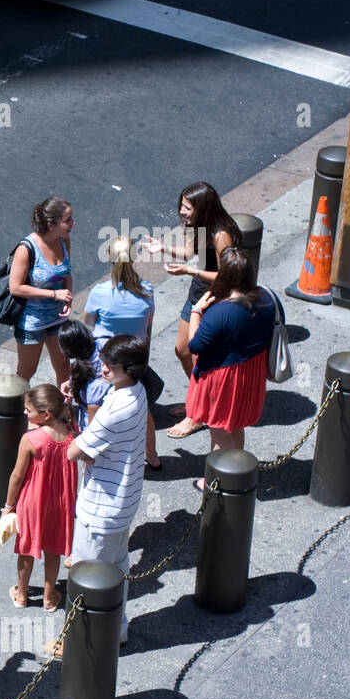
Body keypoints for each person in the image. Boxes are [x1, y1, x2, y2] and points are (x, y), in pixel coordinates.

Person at [138, 182, 242, 438]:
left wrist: (191, 271)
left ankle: (197, 413)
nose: (182, 211)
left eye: (188, 207)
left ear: (203, 208)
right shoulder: (200, 226)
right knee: (182, 350)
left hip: (213, 300)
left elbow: (227, 275)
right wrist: (163, 249)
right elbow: (187, 253)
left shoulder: (221, 235)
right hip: (198, 295)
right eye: (182, 205)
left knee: (198, 357)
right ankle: (198, 402)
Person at [66, 335, 149, 645]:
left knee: (87, 579)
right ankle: (117, 628)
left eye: (110, 366)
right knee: (117, 570)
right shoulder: (135, 391)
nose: (102, 369)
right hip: (123, 502)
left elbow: (74, 452)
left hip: (100, 508)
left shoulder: (116, 410)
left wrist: (69, 425)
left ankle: (81, 642)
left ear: (128, 368)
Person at [184, 248, 277, 488]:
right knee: (236, 424)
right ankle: (237, 470)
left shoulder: (221, 311)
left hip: (224, 377)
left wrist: (196, 310)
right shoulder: (266, 300)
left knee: (220, 432)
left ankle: (217, 481)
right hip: (250, 372)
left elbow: (194, 345)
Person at [85, 236, 160, 468]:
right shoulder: (147, 290)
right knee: (142, 408)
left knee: (95, 403)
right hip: (133, 358)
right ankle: (153, 456)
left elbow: (88, 326)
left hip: (105, 357)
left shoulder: (100, 292)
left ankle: (91, 453)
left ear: (109, 256)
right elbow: (148, 326)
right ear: (134, 257)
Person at [3, 384, 77, 612]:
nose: (25, 413)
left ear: (45, 414)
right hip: (61, 501)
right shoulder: (72, 432)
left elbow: (17, 475)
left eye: (28, 409)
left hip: (33, 501)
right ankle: (48, 597)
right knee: (53, 549)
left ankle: (22, 594)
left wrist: (8, 505)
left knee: (27, 547)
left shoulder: (31, 439)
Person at [8, 196, 74, 384]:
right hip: (32, 322)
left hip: (58, 317)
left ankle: (63, 411)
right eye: (67, 219)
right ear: (52, 224)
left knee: (63, 367)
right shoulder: (27, 248)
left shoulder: (64, 241)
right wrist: (54, 294)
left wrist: (68, 294)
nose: (73, 223)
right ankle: (17, 410)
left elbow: (66, 272)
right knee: (27, 371)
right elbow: (15, 287)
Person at [59, 319, 111, 433]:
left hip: (97, 427)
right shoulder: (106, 344)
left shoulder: (95, 386)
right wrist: (70, 383)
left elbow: (92, 430)